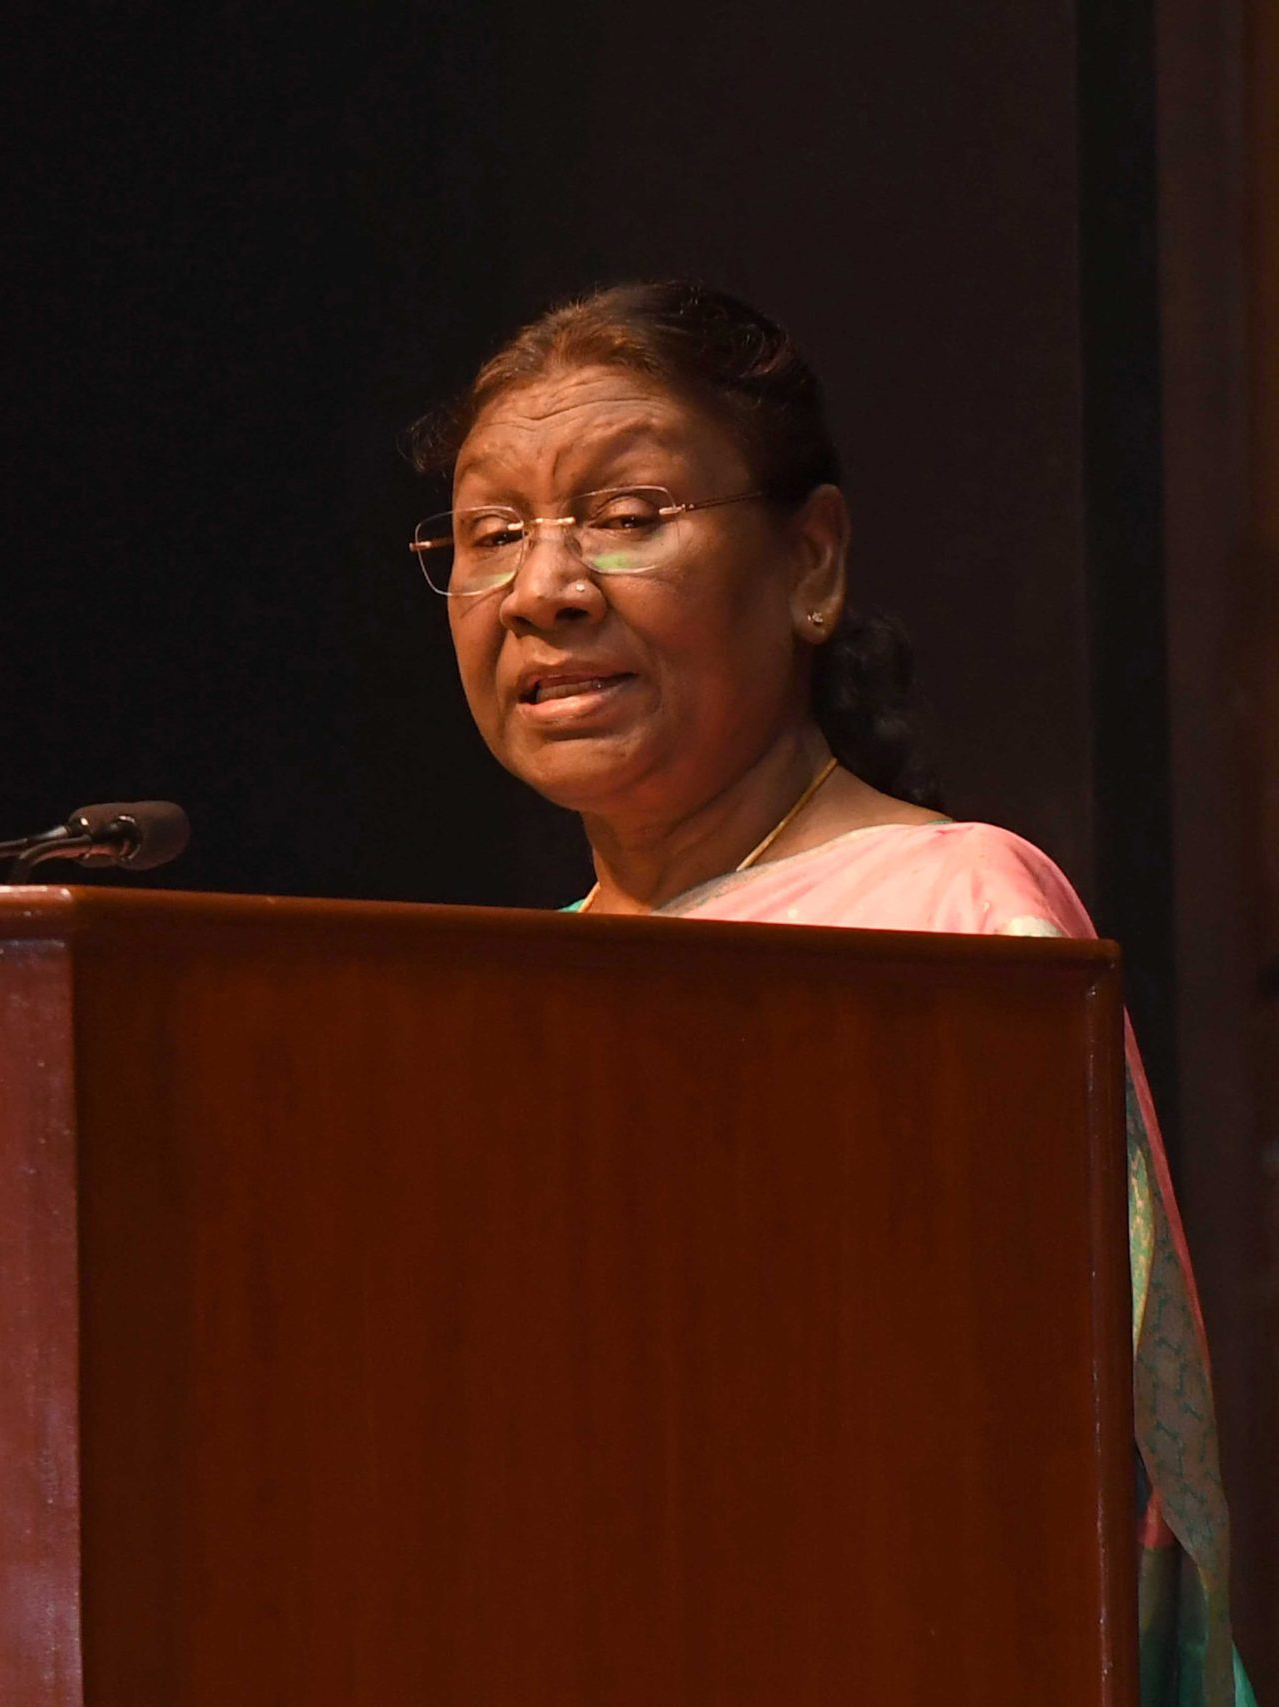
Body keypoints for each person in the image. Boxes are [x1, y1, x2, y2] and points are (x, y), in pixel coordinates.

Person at [410, 279, 1251, 1707]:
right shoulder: (497, 1003)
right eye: (493, 536)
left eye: (625, 518)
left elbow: (1054, 1472)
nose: (544, 590)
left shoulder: (954, 916)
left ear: (811, 563)